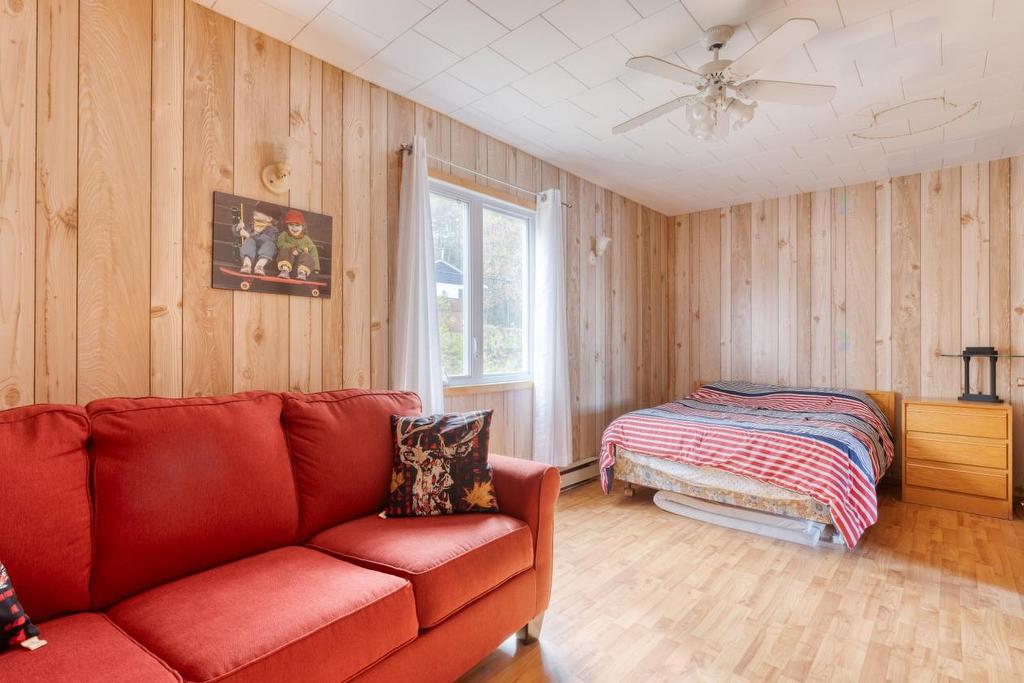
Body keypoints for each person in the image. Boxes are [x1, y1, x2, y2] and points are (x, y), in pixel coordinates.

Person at [276, 209, 320, 280]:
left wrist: (316, 268)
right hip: (288, 259)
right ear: (287, 225)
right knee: (284, 251)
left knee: (306, 255)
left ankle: (302, 273)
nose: (294, 228)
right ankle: (285, 270)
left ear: (303, 226)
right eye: (291, 225)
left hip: (300, 263)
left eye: (297, 225)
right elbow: (280, 243)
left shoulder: (306, 239)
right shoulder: (284, 235)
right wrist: (292, 247)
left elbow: (313, 250)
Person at [234, 209, 278, 276]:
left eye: (260, 211)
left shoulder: (273, 230)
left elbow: (265, 239)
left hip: (265, 255)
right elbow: (240, 231)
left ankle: (259, 267)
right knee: (249, 241)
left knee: (270, 244)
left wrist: (249, 235)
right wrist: (238, 228)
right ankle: (246, 265)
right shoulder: (251, 225)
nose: (255, 212)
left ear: (269, 218)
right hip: (250, 252)